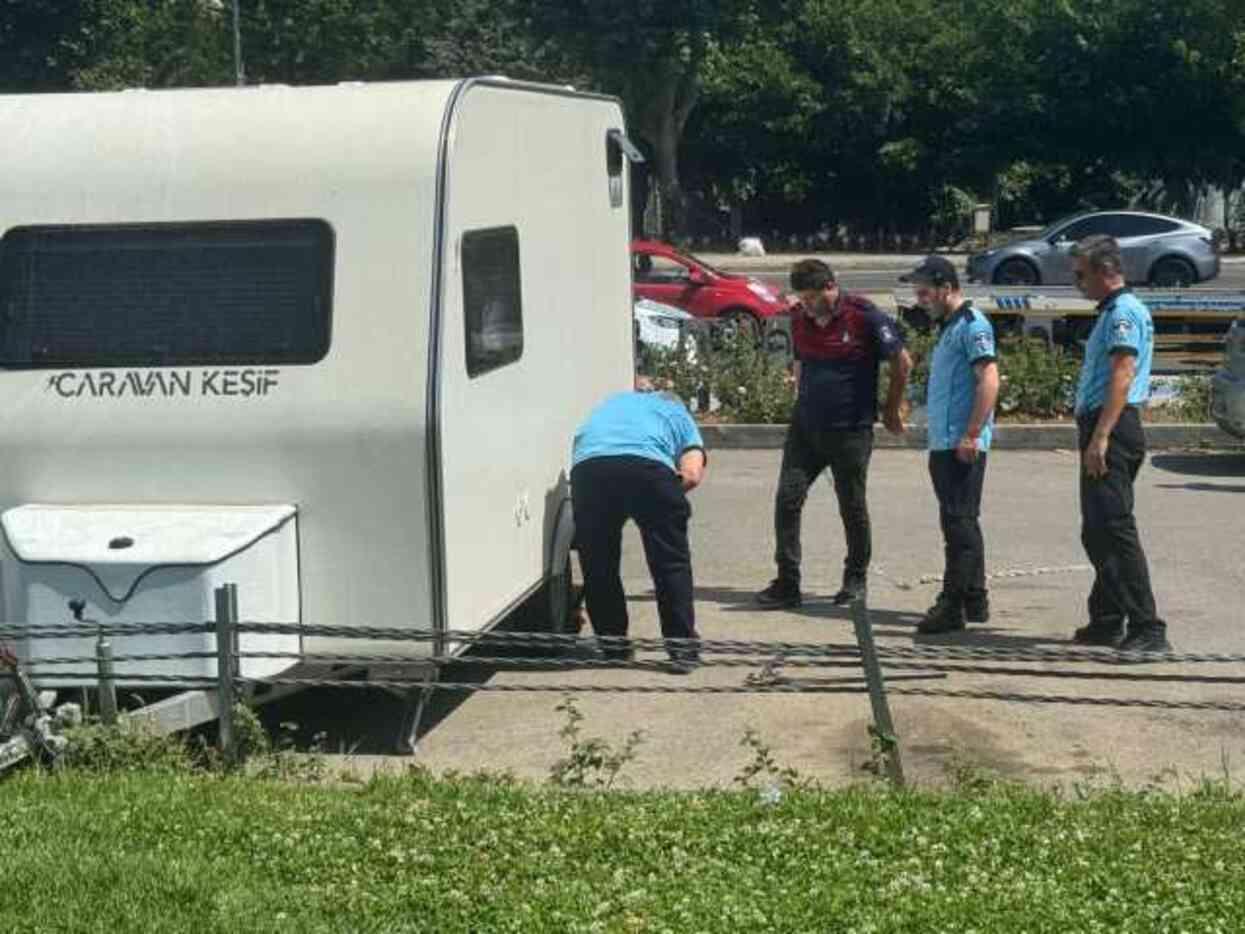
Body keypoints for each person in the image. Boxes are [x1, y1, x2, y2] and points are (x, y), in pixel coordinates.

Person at [757, 258, 912, 609]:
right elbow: (800, 358)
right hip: (806, 430)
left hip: (850, 431)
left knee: (852, 506)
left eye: (813, 297)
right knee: (787, 500)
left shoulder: (863, 316)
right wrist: (799, 392)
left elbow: (902, 361)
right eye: (803, 298)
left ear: (830, 287)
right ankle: (787, 582)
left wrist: (891, 409)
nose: (807, 305)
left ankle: (855, 580)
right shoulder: (799, 319)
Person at [1068, 234, 1171, 653]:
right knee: (1096, 530)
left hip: (1114, 425)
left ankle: (1148, 627)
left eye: (1081, 274)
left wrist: (1102, 436)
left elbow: (1122, 375)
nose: (1077, 282)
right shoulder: (1112, 311)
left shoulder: (1123, 312)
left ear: (1105, 271)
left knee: (1115, 528)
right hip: (1103, 423)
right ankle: (1109, 618)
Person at [571, 381, 707, 671]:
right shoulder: (677, 411)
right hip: (647, 469)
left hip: (589, 470)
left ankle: (613, 647)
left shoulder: (614, 401)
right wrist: (665, 499)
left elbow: (582, 440)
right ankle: (682, 651)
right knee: (670, 562)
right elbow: (692, 473)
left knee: (598, 563)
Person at [899, 256, 1000, 634]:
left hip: (961, 441)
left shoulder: (972, 326)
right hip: (946, 440)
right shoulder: (951, 326)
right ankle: (974, 597)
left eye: (925, 292)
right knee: (960, 520)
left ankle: (952, 605)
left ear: (945, 287)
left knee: (959, 525)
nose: (920, 299)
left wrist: (972, 433)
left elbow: (989, 380)